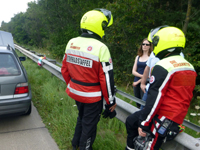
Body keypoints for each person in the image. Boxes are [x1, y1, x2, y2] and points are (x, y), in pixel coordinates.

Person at [125, 26, 197, 150]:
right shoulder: (189, 66)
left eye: (155, 43)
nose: (153, 46)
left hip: (163, 117)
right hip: (175, 117)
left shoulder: (163, 66)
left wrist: (144, 123)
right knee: (131, 121)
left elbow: (155, 98)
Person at [61, 8, 117, 150]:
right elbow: (106, 79)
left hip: (76, 91)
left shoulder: (71, 42)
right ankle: (84, 147)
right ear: (98, 26)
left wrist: (73, 85)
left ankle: (75, 144)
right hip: (92, 97)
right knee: (89, 126)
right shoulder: (101, 48)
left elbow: (64, 69)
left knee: (81, 118)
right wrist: (111, 102)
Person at [132, 38, 152, 108]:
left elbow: (149, 75)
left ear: (150, 46)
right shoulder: (138, 57)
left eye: (147, 44)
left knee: (143, 102)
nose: (145, 46)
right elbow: (133, 71)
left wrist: (141, 79)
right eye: (143, 44)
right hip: (136, 81)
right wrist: (141, 76)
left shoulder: (151, 58)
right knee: (137, 102)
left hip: (145, 82)